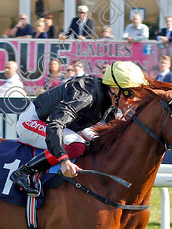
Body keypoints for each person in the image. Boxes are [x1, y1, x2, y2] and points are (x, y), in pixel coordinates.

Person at [9, 61, 149, 196]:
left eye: (138, 94)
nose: (134, 100)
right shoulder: (85, 96)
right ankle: (24, 171)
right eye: (130, 93)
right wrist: (64, 160)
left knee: (100, 142)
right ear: (114, 89)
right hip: (35, 121)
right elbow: (55, 124)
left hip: (66, 124)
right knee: (77, 145)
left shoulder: (112, 98)